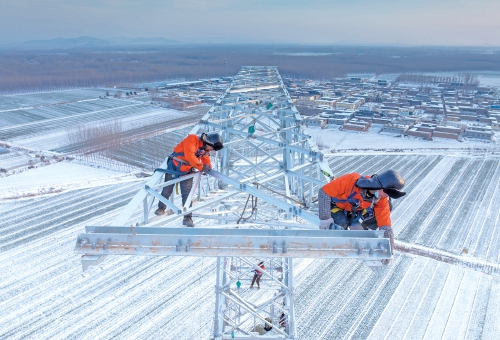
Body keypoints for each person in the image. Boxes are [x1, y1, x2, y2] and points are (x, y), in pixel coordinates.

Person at [318, 170, 406, 264]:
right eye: (387, 192)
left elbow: (386, 227)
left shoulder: (381, 200)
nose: (386, 196)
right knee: (341, 225)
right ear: (380, 186)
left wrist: (389, 251)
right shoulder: (350, 181)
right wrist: (325, 218)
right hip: (337, 208)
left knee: (389, 206)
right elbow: (323, 192)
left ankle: (362, 227)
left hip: (354, 212)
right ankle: (345, 228)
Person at [154, 132, 223, 227]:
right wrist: (201, 167)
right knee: (167, 189)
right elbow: (189, 156)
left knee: (187, 194)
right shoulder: (192, 139)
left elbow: (206, 159)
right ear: (208, 142)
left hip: (187, 170)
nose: (211, 150)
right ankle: (161, 208)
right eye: (212, 148)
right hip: (174, 167)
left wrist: (208, 168)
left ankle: (187, 218)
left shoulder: (204, 149)